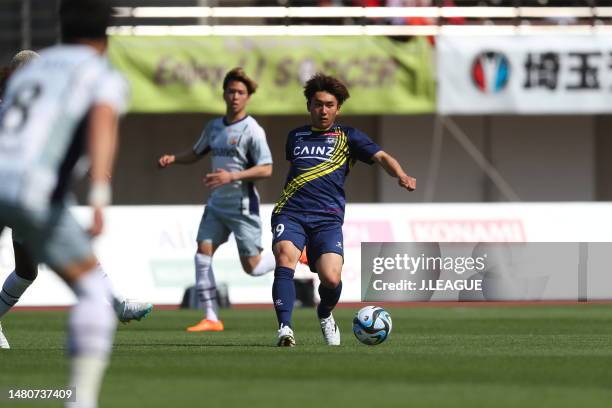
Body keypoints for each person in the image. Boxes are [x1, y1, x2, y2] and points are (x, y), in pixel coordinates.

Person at [0, 1, 127, 406]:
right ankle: (80, 400)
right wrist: (99, 200)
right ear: (106, 36)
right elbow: (102, 124)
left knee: (27, 269)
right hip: (31, 192)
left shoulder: (31, 69)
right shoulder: (99, 72)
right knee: (93, 292)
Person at [0, 50, 152, 351]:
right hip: (25, 192)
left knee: (27, 271)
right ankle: (116, 304)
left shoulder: (24, 102)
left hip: (19, 191)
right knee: (71, 251)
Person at [271, 73, 416, 346]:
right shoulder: (295, 137)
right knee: (284, 259)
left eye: (329, 105)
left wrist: (400, 175)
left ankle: (325, 313)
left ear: (338, 108)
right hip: (290, 212)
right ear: (309, 106)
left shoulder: (347, 136)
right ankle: (285, 329)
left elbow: (382, 156)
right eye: (317, 104)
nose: (322, 110)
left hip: (327, 219)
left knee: (331, 277)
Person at [158, 68, 275, 332]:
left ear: (248, 97)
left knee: (253, 268)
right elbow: (196, 152)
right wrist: (174, 159)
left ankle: (289, 255)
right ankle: (211, 317)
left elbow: (267, 168)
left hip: (242, 206)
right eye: (231, 91)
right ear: (224, 93)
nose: (235, 96)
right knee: (202, 252)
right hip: (216, 205)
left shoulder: (252, 130)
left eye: (241, 92)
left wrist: (232, 176)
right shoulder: (213, 127)